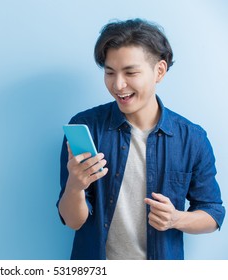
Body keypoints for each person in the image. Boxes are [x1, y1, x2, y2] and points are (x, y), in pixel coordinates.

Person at [57, 18, 225, 260]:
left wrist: (176, 218)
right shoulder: (86, 127)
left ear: (159, 71)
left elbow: (213, 213)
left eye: (130, 72)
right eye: (109, 72)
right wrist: (75, 184)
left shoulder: (192, 139)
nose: (118, 84)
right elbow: (73, 221)